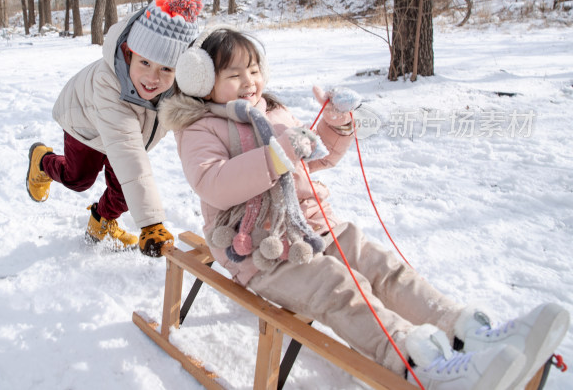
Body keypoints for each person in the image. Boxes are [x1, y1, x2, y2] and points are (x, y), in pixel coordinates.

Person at [159, 26, 569, 390]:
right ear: (204, 82)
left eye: (253, 70)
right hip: (262, 252)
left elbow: (313, 159)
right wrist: (279, 154)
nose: (249, 82)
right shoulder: (200, 128)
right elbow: (213, 184)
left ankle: (464, 332)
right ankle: (419, 364)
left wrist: (332, 128)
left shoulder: (272, 110)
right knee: (337, 287)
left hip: (314, 228)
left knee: (381, 268)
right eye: (233, 75)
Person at [25, 0, 203, 257]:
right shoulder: (108, 83)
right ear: (128, 53)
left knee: (122, 192)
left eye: (166, 69)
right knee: (79, 179)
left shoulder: (177, 88)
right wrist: (151, 223)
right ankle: (42, 162)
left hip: (126, 135)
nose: (152, 78)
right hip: (86, 123)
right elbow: (128, 152)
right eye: (145, 62)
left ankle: (101, 221)